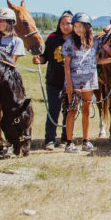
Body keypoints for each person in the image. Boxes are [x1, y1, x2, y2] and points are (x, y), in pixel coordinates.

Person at [0, 6, 26, 157]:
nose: (1, 24)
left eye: (4, 21)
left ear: (11, 23)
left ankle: (10, 142)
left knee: (10, 116)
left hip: (9, 85)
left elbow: (11, 63)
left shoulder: (17, 41)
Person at [33, 10, 73, 150]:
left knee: (68, 111)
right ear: (59, 25)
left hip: (71, 82)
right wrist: (39, 60)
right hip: (54, 81)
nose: (65, 26)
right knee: (53, 110)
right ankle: (49, 139)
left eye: (68, 23)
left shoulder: (77, 40)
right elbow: (45, 57)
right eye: (62, 23)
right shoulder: (52, 38)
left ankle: (65, 139)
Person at [63, 12, 100, 153]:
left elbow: (98, 61)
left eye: (80, 26)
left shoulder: (95, 42)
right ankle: (69, 143)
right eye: (76, 26)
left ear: (87, 27)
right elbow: (66, 65)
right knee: (72, 111)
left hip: (89, 83)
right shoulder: (70, 42)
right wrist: (69, 84)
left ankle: (86, 141)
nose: (77, 29)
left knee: (86, 111)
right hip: (74, 82)